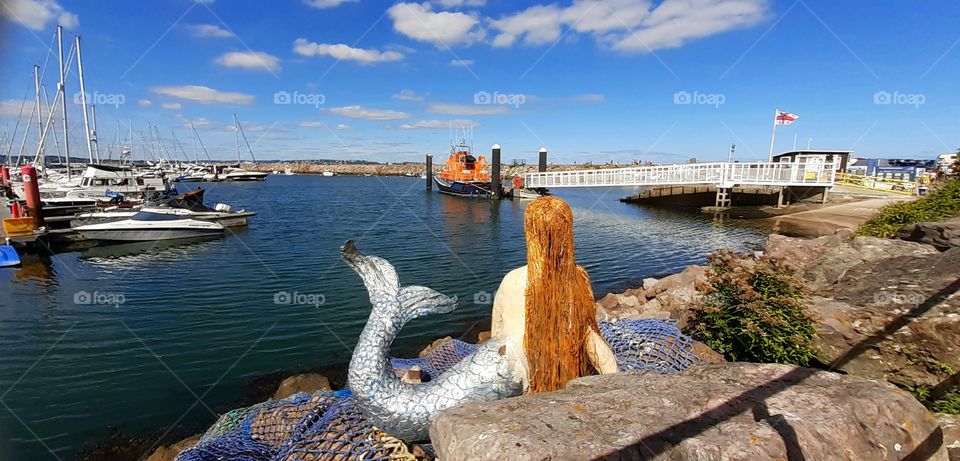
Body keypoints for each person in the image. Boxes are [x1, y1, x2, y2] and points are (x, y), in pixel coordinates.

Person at [491, 196, 617, 394]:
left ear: (530, 232)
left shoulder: (512, 279)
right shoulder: (579, 277)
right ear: (567, 231)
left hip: (518, 380)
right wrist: (613, 377)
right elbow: (589, 335)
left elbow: (497, 334)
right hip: (564, 377)